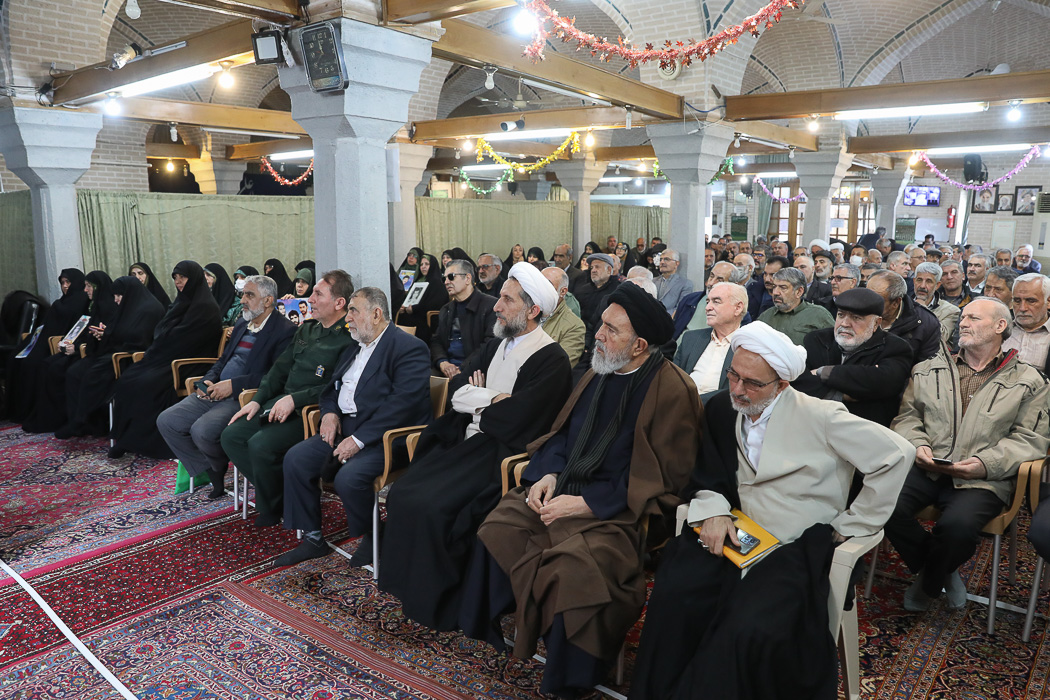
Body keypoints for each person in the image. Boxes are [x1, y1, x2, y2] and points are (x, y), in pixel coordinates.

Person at [630, 322, 914, 700]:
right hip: (739, 531)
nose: (737, 389)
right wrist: (713, 509)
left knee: (750, 628)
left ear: (781, 384)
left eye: (751, 383)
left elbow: (897, 454)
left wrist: (857, 521)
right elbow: (709, 472)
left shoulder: (821, 415)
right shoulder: (722, 408)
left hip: (794, 545)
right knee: (677, 595)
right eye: (733, 375)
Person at [462, 282, 702, 697]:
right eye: (601, 324)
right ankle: (496, 629)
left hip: (618, 512)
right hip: (565, 486)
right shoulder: (598, 370)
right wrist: (549, 475)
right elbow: (561, 436)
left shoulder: (674, 390)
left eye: (611, 329)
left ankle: (567, 679)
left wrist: (587, 504)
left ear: (640, 345)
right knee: (499, 524)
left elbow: (666, 478)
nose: (598, 335)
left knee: (572, 571)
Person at [378, 263, 572, 627]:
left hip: (498, 455)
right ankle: (404, 585)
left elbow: (518, 419)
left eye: (507, 300)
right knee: (403, 493)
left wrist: (479, 398)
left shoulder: (552, 359)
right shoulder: (495, 344)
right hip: (464, 440)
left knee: (435, 508)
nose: (496, 306)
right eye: (499, 297)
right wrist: (493, 397)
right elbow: (456, 389)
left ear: (532, 310)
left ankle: (439, 605)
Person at [887, 298, 1050, 610]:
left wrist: (984, 464)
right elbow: (907, 417)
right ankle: (940, 569)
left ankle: (929, 580)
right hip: (928, 466)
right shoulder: (929, 369)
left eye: (974, 318)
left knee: (957, 528)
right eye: (963, 317)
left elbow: (1030, 439)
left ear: (1000, 326)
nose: (963, 323)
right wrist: (917, 444)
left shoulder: (1029, 381)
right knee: (883, 505)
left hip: (983, 477)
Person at [276, 287, 432, 566]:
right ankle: (313, 538)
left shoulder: (409, 347)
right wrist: (329, 414)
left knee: (350, 478)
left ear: (376, 314)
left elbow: (403, 405)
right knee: (296, 458)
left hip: (387, 437)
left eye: (353, 311)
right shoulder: (353, 346)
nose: (347, 317)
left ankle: (375, 535)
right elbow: (331, 389)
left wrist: (358, 439)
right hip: (345, 428)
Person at [220, 270, 356, 527]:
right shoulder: (308, 329)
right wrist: (257, 400)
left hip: (310, 411)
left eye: (318, 294)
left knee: (260, 445)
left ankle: (271, 506)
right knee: (231, 436)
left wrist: (295, 399)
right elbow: (279, 370)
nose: (310, 299)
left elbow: (337, 387)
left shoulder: (348, 338)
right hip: (281, 401)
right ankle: (282, 495)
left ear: (339, 303)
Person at [156, 275, 295, 497]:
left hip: (245, 397)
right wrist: (209, 379)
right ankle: (211, 468)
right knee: (167, 421)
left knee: (202, 430)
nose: (242, 300)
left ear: (268, 300)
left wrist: (233, 386)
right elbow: (223, 360)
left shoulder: (285, 331)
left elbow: (275, 376)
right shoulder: (242, 323)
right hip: (216, 390)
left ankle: (216, 467)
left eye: (249, 295)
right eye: (243, 294)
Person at [107, 261, 225, 459]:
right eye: (175, 277)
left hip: (191, 362)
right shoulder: (180, 302)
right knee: (129, 378)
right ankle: (126, 438)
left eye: (183, 277)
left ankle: (144, 441)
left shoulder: (206, 307)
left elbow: (186, 339)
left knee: (147, 383)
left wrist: (164, 339)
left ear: (194, 279)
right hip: (169, 357)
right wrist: (163, 340)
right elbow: (162, 331)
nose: (178, 282)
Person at [57, 276, 166, 439]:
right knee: (74, 372)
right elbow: (120, 331)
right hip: (115, 353)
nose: (115, 300)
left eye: (119, 295)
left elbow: (139, 339)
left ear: (129, 293)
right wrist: (104, 333)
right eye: (114, 295)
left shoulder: (150, 309)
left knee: (93, 375)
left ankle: (81, 420)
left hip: (131, 358)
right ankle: (83, 421)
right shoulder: (129, 306)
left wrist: (108, 334)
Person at [793, 288, 913, 426]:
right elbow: (796, 380)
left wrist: (825, 372)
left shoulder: (895, 347)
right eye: (841, 315)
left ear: (876, 323)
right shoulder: (817, 340)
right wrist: (839, 394)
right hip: (815, 425)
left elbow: (883, 382)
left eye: (856, 318)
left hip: (864, 429)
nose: (844, 323)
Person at [22, 271, 119, 434]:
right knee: (47, 364)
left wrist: (77, 348)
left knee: (63, 370)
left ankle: (75, 421)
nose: (85, 290)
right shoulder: (93, 306)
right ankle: (52, 418)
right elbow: (86, 333)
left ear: (98, 287)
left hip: (95, 354)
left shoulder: (108, 308)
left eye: (88, 286)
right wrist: (71, 344)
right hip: (86, 350)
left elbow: (108, 338)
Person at [4, 268, 90, 423]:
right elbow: (45, 326)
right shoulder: (59, 302)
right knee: (14, 359)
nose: (65, 286)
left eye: (68, 282)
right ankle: (16, 411)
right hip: (44, 341)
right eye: (62, 282)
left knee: (33, 364)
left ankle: (30, 411)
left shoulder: (83, 301)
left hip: (58, 345)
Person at [675, 282, 747, 403]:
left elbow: (736, 393)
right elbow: (673, 380)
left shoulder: (747, 347)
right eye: (707, 302)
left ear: (738, 308)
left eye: (716, 302)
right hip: (680, 406)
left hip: (719, 410)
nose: (707, 307)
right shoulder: (691, 339)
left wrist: (696, 403)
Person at [431, 259, 497, 378]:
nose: (446, 282)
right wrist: (442, 362)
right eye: (444, 278)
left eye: (451, 277)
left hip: (475, 371)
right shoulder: (446, 309)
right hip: (446, 369)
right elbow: (437, 341)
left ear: (467, 278)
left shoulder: (490, 306)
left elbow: (489, 345)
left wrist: (463, 368)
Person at [866, 270, 942, 363]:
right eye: (866, 295)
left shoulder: (926, 323)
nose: (868, 302)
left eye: (876, 300)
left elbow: (926, 365)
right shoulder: (856, 311)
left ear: (896, 302)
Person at [756, 267, 834, 345]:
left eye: (783, 288)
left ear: (799, 292)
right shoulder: (766, 316)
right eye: (774, 287)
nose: (775, 292)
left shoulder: (819, 315)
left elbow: (834, 346)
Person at [575, 253, 621, 363]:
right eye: (591, 267)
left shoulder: (617, 291)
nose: (593, 270)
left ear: (609, 270)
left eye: (597, 267)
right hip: (578, 337)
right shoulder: (582, 290)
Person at [397, 253, 448, 345]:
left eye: (427, 264)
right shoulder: (418, 280)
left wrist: (414, 308)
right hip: (414, 314)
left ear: (432, 266)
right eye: (421, 264)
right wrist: (403, 307)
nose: (423, 267)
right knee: (401, 317)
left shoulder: (437, 283)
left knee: (411, 321)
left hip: (427, 317)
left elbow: (435, 304)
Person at [540, 267, 586, 365]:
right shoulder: (526, 311)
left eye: (547, 284)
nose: (540, 289)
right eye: (539, 283)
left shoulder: (574, 326)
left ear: (563, 291)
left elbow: (560, 366)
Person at [1004, 273, 1050, 371]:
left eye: (1031, 301)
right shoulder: (999, 328)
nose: (1022, 308)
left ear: (1048, 302)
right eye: (1017, 300)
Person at [913, 262, 961, 346]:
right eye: (919, 280)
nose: (922, 286)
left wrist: (923, 310)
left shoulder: (951, 311)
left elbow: (940, 337)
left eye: (929, 281)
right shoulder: (901, 304)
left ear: (937, 285)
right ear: (914, 281)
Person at [650, 248, 693, 314]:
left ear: (676, 263)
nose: (662, 262)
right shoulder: (653, 281)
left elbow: (681, 308)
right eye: (661, 259)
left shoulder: (685, 284)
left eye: (666, 259)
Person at [747, 254, 786, 320]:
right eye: (765, 274)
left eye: (772, 275)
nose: (767, 279)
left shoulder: (789, 298)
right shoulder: (752, 289)